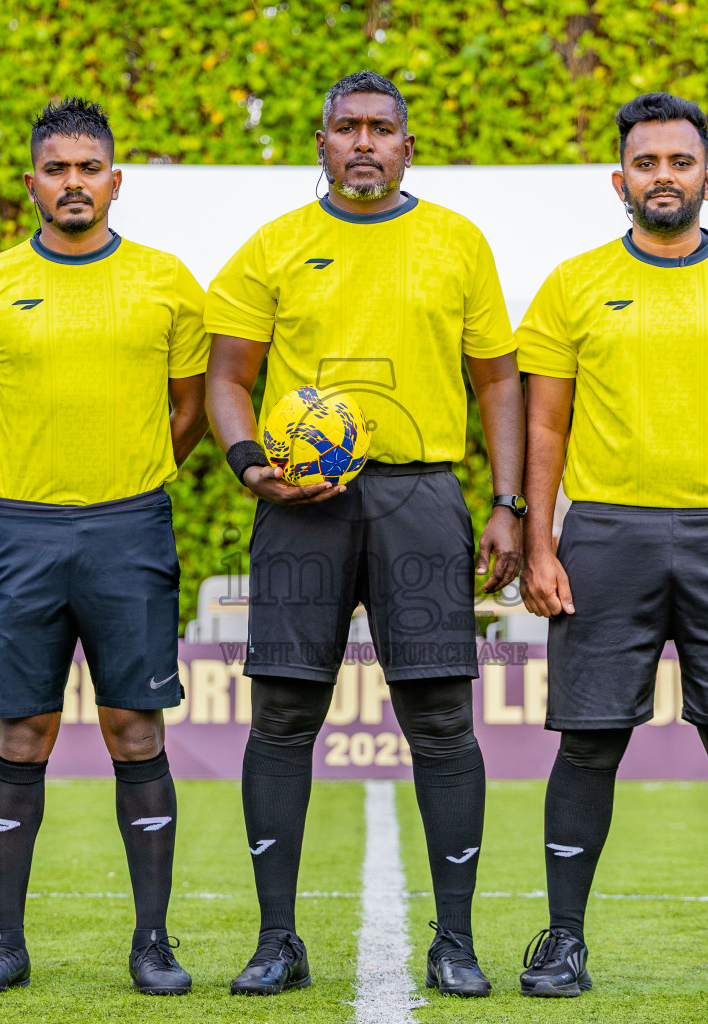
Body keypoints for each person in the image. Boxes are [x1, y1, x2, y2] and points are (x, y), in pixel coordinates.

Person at [205, 71, 524, 998]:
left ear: (407, 147)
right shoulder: (277, 245)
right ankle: (276, 941)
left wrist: (508, 503)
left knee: (441, 719)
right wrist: (248, 464)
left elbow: (499, 382)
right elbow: (228, 375)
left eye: (382, 129)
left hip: (420, 495)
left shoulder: (456, 241)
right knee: (282, 715)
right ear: (322, 143)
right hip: (300, 504)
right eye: (346, 127)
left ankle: (455, 942)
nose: (364, 143)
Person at [516, 92, 708, 999]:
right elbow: (544, 427)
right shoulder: (572, 283)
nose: (663, 177)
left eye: (679, 162)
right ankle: (562, 942)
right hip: (606, 535)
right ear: (619, 180)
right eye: (645, 162)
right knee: (588, 742)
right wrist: (539, 542)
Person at [0, 98, 210, 996]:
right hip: (23, 530)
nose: (73, 183)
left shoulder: (167, 281)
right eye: (56, 169)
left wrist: (123, 479)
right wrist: (39, 480)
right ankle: (4, 945)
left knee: (135, 728)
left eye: (89, 168)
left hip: (132, 529)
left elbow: (188, 412)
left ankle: (153, 945)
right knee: (24, 728)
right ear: (32, 183)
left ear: (115, 180)